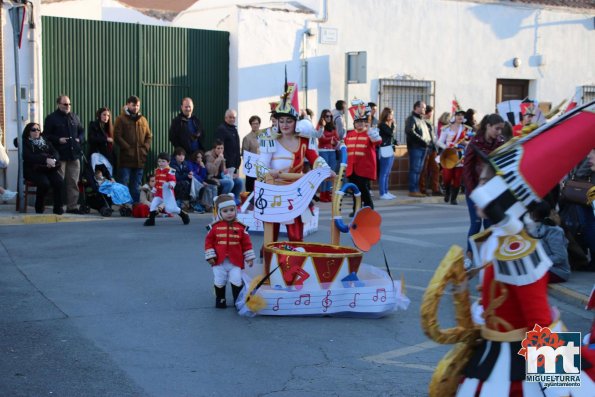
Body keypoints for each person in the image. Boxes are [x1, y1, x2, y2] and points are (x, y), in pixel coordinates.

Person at [258, 82, 333, 242]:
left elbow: (315, 159)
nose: (284, 125)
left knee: (296, 237)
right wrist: (268, 172)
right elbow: (260, 166)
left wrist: (327, 171)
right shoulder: (268, 139)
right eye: (281, 121)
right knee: (270, 238)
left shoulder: (304, 141)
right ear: (276, 121)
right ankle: (267, 265)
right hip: (274, 192)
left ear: (295, 122)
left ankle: (295, 266)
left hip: (296, 193)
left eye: (288, 121)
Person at [462, 113, 505, 265]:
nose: (499, 133)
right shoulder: (474, 143)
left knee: (489, 225)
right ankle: (469, 255)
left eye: (501, 130)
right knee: (476, 223)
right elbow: (467, 170)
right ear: (488, 126)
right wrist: (473, 192)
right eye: (497, 129)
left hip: (492, 190)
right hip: (475, 189)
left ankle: (488, 258)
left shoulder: (500, 143)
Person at [205, 193, 255, 308]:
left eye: (232, 210)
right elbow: (208, 243)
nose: (229, 213)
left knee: (236, 280)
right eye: (225, 211)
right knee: (219, 281)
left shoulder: (241, 227)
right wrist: (210, 256)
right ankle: (220, 300)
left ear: (235, 210)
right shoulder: (214, 228)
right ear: (219, 212)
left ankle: (238, 301)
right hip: (219, 261)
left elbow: (246, 244)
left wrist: (249, 258)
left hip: (236, 261)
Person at [43, 95, 84, 214]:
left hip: (74, 155)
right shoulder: (51, 118)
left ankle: (72, 206)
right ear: (58, 104)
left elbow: (81, 131)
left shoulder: (74, 117)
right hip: (60, 155)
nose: (68, 106)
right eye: (65, 104)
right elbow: (46, 136)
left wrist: (79, 139)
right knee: (59, 182)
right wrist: (58, 139)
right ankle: (59, 206)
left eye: (69, 104)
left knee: (73, 182)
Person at [344, 100, 382, 215]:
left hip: (365, 167)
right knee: (355, 189)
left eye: (362, 121)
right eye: (357, 121)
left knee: (362, 187)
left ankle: (369, 206)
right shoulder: (350, 135)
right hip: (352, 168)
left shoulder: (370, 133)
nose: (359, 124)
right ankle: (356, 209)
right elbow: (344, 147)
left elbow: (378, 141)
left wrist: (371, 130)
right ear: (354, 123)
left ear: (366, 122)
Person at [114, 95, 152, 204]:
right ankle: (125, 206)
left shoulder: (143, 120)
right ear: (127, 105)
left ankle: (135, 206)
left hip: (140, 159)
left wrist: (144, 149)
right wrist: (127, 148)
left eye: (138, 105)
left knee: (136, 185)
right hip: (126, 159)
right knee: (123, 184)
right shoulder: (120, 119)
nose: (136, 107)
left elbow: (149, 136)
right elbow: (117, 136)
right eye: (133, 105)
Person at [22, 122, 64, 214]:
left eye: (38, 129)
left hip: (48, 168)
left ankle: (58, 208)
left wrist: (53, 160)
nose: (36, 131)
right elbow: (28, 157)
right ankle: (39, 206)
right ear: (28, 131)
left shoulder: (45, 141)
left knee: (59, 181)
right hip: (33, 169)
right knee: (44, 183)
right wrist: (45, 159)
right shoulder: (25, 142)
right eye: (33, 130)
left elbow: (55, 152)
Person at [527, 201, 570, 283]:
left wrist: (539, 262)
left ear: (533, 214)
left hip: (558, 272)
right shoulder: (534, 229)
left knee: (526, 276)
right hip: (544, 267)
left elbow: (560, 256)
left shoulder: (554, 231)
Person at [143, 152, 190, 226]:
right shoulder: (157, 170)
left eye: (163, 161)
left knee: (172, 209)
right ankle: (151, 221)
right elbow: (157, 181)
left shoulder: (171, 170)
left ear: (168, 162)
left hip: (167, 194)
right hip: (158, 194)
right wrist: (154, 189)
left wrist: (171, 185)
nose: (160, 163)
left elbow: (173, 180)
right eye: (159, 161)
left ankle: (184, 215)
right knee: (153, 205)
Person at [436, 109, 471, 205]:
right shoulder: (446, 128)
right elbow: (439, 142)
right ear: (454, 116)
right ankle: (447, 192)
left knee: (457, 177)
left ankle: (454, 198)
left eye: (462, 115)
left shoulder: (467, 129)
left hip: (460, 156)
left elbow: (470, 142)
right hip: (448, 155)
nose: (460, 117)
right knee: (447, 177)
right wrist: (447, 147)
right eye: (458, 115)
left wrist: (465, 143)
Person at [404, 101, 431, 197]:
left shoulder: (422, 120)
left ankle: (416, 189)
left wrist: (428, 142)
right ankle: (413, 190)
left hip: (423, 148)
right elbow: (409, 131)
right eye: (423, 107)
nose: (424, 109)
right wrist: (423, 140)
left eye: (424, 107)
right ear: (416, 107)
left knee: (419, 170)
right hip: (415, 148)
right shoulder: (411, 118)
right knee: (414, 169)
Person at [215, 109, 243, 198]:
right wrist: (224, 167)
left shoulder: (234, 130)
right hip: (224, 167)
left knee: (239, 182)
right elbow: (220, 149)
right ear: (225, 118)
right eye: (230, 117)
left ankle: (234, 201)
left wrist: (237, 168)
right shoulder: (221, 129)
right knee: (229, 183)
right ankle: (221, 201)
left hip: (233, 167)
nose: (232, 119)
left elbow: (237, 149)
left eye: (233, 117)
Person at [316, 109, 339, 202]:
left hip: (332, 151)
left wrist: (332, 139)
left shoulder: (333, 126)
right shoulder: (320, 126)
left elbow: (337, 138)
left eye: (330, 116)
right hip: (323, 151)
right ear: (323, 117)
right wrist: (332, 138)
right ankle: (322, 194)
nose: (329, 118)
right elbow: (321, 139)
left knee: (331, 173)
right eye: (327, 116)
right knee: (324, 173)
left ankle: (328, 193)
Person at [419, 105, 441, 196]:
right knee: (424, 169)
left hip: (433, 148)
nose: (431, 115)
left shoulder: (430, 122)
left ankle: (435, 189)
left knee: (436, 168)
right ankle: (422, 189)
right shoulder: (421, 122)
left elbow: (433, 136)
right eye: (430, 114)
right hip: (425, 148)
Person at [377, 107, 396, 200]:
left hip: (390, 149)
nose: (392, 116)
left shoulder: (387, 124)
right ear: (386, 115)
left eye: (392, 114)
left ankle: (386, 191)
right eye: (391, 114)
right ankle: (382, 193)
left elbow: (391, 137)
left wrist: (396, 142)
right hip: (385, 150)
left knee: (388, 173)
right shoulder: (382, 125)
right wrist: (393, 124)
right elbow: (390, 133)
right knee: (384, 173)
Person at [241, 115, 261, 193]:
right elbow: (244, 154)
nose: (255, 125)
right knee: (250, 190)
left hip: (262, 167)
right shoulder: (247, 138)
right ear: (251, 125)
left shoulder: (264, 137)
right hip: (251, 167)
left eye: (257, 123)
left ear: (259, 124)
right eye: (253, 123)